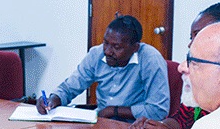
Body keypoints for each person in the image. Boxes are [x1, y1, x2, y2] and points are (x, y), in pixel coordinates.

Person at [130, 2, 220, 129]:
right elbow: (182, 118)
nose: (191, 45)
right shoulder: (205, 80)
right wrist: (157, 127)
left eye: (199, 35)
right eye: (192, 37)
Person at [37, 14, 169, 120]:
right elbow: (70, 87)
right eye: (105, 43)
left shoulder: (150, 59)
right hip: (101, 123)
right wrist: (53, 99)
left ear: (135, 48)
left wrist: (113, 111)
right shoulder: (97, 54)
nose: (107, 51)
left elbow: (158, 110)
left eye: (116, 47)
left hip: (135, 128)